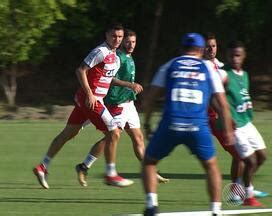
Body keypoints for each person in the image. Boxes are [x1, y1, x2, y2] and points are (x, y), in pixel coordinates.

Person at [141, 33, 234, 216]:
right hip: (198, 126)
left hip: (171, 123)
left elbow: (149, 99)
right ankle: (216, 210)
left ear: (182, 49)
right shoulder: (208, 68)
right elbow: (222, 104)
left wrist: (147, 124)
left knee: (149, 162)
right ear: (200, 50)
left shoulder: (169, 66)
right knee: (211, 166)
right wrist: (228, 130)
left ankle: (152, 205)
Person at [33, 23, 134, 189]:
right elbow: (80, 70)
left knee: (68, 133)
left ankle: (42, 167)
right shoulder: (100, 51)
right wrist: (89, 93)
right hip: (91, 100)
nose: (117, 39)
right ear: (106, 36)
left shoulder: (115, 57)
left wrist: (128, 86)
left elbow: (106, 79)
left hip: (90, 99)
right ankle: (111, 174)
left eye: (120, 37)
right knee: (114, 132)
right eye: (113, 36)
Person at [75, 29, 169, 187]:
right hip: (117, 104)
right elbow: (109, 79)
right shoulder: (116, 56)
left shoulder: (129, 58)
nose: (130, 44)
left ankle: (151, 170)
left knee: (138, 138)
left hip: (129, 105)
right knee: (111, 136)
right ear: (121, 41)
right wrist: (130, 85)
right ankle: (85, 166)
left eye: (133, 41)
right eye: (127, 41)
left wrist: (133, 93)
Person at [205, 34, 268, 200]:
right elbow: (211, 93)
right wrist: (220, 115)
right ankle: (243, 192)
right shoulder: (211, 68)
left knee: (253, 157)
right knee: (244, 157)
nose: (211, 49)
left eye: (214, 45)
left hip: (242, 121)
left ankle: (241, 188)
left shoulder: (223, 66)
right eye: (208, 46)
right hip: (223, 121)